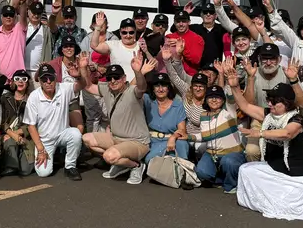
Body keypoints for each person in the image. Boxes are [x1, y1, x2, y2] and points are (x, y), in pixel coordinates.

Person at [228, 75, 303, 220]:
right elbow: (245, 106)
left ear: (287, 104)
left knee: (285, 208)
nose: (270, 103)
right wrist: (234, 86)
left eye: (275, 101)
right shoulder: (269, 115)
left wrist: (260, 133)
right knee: (246, 170)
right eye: (269, 99)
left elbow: (287, 133)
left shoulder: (297, 119)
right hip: (276, 170)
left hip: (298, 175)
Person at [82, 52, 157, 184]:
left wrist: (138, 72)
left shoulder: (132, 91)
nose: (113, 81)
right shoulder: (107, 89)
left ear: (124, 78)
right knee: (86, 139)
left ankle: (136, 166)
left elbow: (142, 87)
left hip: (137, 142)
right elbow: (88, 86)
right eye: (110, 78)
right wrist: (83, 68)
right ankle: (121, 162)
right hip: (116, 138)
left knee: (108, 156)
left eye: (116, 77)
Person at [24, 60, 88, 180]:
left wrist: (79, 76)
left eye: (51, 78)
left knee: (75, 134)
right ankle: (57, 155)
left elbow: (82, 85)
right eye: (44, 79)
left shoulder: (63, 88)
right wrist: (41, 149)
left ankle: (70, 166)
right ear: (40, 82)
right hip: (45, 140)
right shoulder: (34, 97)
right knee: (43, 172)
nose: (48, 82)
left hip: (63, 134)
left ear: (56, 78)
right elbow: (31, 126)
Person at [190, 59, 246, 192]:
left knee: (229, 162)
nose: (214, 100)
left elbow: (231, 98)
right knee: (202, 172)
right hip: (212, 154)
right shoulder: (204, 115)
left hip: (232, 154)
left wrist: (233, 85)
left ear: (222, 100)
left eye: (218, 97)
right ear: (206, 100)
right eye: (211, 97)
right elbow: (204, 136)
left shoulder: (229, 111)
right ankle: (221, 177)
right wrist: (188, 137)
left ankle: (231, 184)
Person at [142, 72, 190, 164]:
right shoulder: (147, 100)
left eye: (164, 85)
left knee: (182, 143)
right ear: (152, 88)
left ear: (169, 88)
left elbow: (182, 130)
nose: (160, 89)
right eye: (157, 86)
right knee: (151, 161)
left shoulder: (178, 104)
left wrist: (173, 137)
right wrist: (140, 72)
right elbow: (130, 91)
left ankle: (179, 169)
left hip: (172, 141)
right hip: (153, 141)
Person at [0, 69, 35, 177]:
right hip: (8, 134)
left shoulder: (32, 100)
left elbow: (35, 123)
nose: (20, 81)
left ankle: (20, 155)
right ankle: (10, 165)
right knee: (9, 141)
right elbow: (0, 120)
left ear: (28, 82)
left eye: (24, 79)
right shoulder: (4, 98)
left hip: (27, 136)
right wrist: (12, 134)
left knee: (25, 171)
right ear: (13, 82)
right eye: (17, 79)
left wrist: (20, 133)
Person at [90, 12, 143, 81]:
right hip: (115, 86)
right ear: (120, 32)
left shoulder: (141, 46)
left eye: (131, 32)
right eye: (124, 32)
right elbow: (94, 46)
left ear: (135, 32)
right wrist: (98, 28)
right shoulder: (113, 44)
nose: (128, 35)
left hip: (135, 88)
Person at [0, 0, 28, 78]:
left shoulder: (20, 28)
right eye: (6, 15)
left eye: (11, 15)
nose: (8, 17)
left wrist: (23, 2)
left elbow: (23, 16)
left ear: (15, 17)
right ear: (1, 17)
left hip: (18, 79)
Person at [24, 1, 54, 75]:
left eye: (38, 13)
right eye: (34, 12)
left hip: (39, 73)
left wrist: (54, 14)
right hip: (22, 72)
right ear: (28, 11)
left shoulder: (46, 30)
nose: (36, 15)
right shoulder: (22, 27)